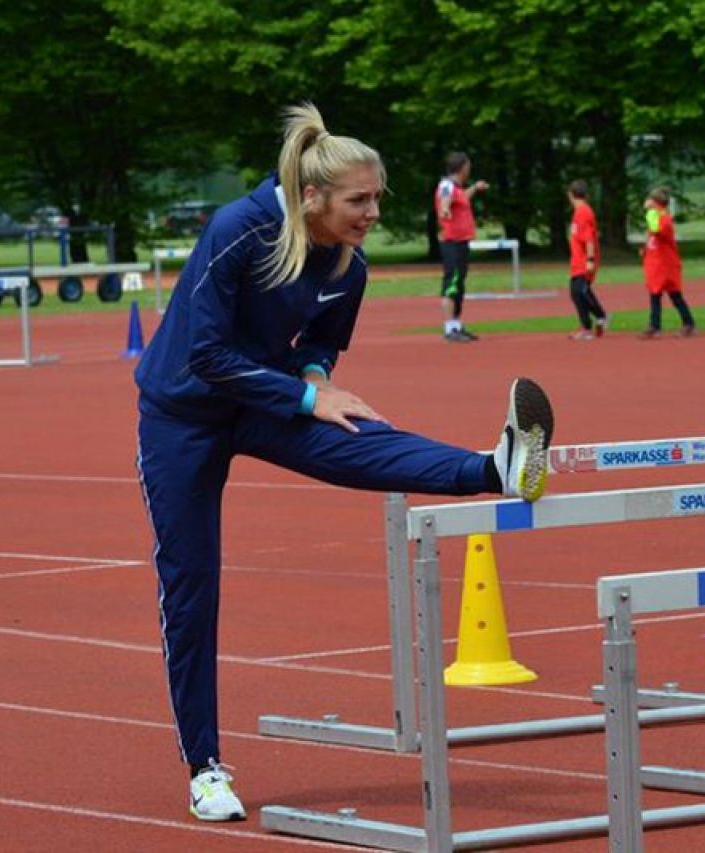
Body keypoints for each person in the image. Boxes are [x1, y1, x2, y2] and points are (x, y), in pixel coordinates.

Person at [134, 104, 555, 823]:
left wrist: (318, 377)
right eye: (359, 200)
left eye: (378, 197)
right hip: (184, 413)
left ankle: (496, 466)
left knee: (361, 431)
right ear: (312, 197)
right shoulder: (239, 230)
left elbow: (319, 344)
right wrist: (302, 392)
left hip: (266, 398)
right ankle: (205, 766)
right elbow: (206, 356)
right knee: (192, 585)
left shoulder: (346, 265)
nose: (374, 212)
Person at [436, 151, 489, 342]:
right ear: (462, 167)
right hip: (453, 243)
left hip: (461, 242)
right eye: (468, 166)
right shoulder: (447, 185)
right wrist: (445, 209)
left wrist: (475, 187)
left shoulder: (456, 188)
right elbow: (445, 201)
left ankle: (456, 325)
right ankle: (450, 327)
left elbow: (462, 198)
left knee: (458, 284)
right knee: (452, 283)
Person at [639, 186, 696, 338]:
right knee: (655, 295)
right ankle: (655, 325)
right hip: (656, 263)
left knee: (675, 296)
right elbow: (651, 234)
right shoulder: (658, 218)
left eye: (650, 200)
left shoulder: (663, 219)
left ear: (655, 202)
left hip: (665, 264)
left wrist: (649, 212)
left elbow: (656, 229)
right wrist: (646, 248)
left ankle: (688, 324)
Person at [565, 180, 608, 340]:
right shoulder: (579, 212)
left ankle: (594, 321)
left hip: (583, 260)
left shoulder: (583, 212)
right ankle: (593, 321)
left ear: (571, 195)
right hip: (578, 260)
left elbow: (589, 239)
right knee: (577, 292)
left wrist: (589, 259)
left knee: (579, 291)